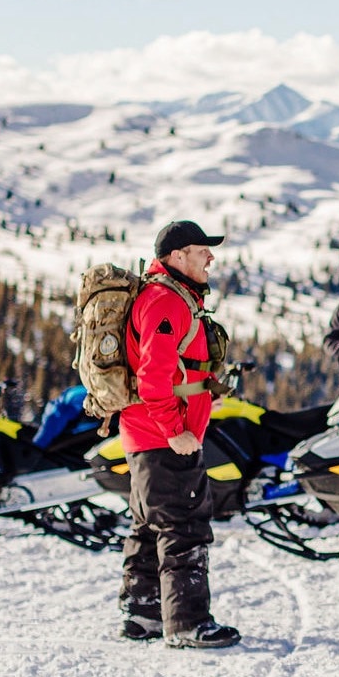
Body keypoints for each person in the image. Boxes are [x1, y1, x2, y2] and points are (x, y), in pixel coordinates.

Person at [119, 220, 240, 648]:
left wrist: (204, 396)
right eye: (201, 249)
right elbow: (153, 377)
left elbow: (174, 371)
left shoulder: (167, 296)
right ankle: (188, 625)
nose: (211, 256)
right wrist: (175, 430)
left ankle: (143, 614)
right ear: (175, 256)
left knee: (149, 524)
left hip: (145, 434)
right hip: (163, 437)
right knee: (184, 525)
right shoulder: (165, 301)